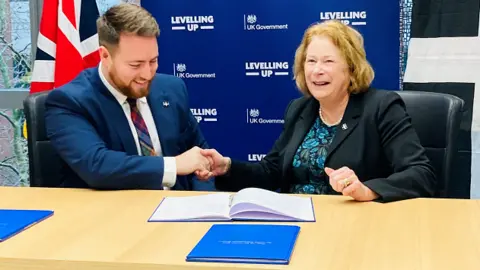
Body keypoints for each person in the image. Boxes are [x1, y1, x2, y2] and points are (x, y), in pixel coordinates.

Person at [199, 20, 437, 202]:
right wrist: (227, 166)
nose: (317, 71)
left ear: (351, 69)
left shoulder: (381, 107)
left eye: (328, 62)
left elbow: (420, 174)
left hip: (355, 225)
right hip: (297, 221)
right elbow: (270, 172)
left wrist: (368, 190)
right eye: (311, 61)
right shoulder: (300, 109)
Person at [44, 3, 214, 191]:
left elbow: (200, 156)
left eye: (153, 61)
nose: (147, 74)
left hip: (178, 212)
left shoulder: (172, 89)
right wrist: (173, 165)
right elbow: (97, 166)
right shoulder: (69, 102)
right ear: (105, 56)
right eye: (136, 65)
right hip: (110, 214)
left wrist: (204, 204)